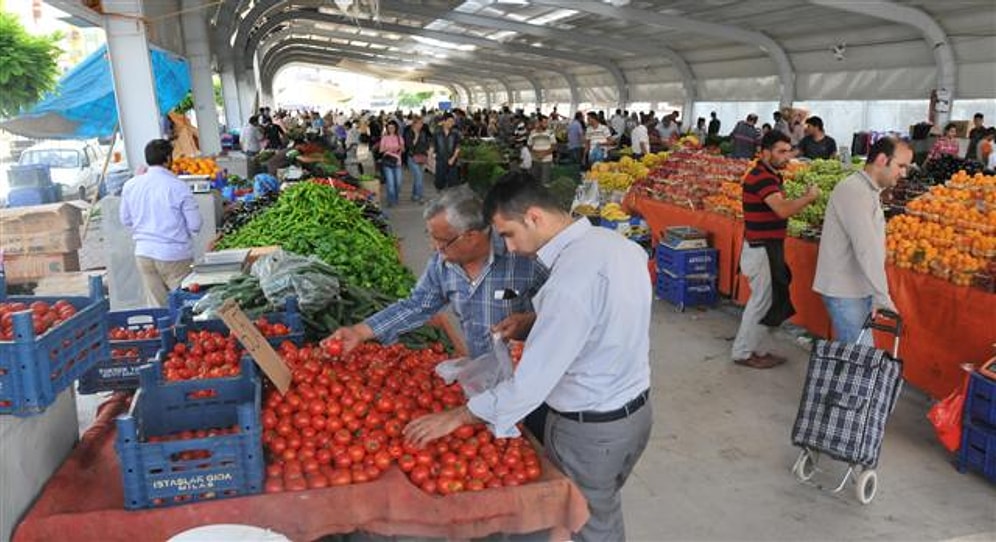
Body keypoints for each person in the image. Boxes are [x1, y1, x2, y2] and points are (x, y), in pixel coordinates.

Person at [404, 174, 652, 542]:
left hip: (590, 430)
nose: (509, 246)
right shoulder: (617, 245)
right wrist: (536, 322)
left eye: (506, 234)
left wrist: (457, 416)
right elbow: (604, 319)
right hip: (634, 413)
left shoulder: (567, 283)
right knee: (603, 504)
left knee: (587, 520)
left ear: (533, 217)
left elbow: (530, 385)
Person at [328, 186, 549, 438]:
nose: (434, 248)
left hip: (531, 382)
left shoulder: (523, 257)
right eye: (431, 237)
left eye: (442, 241)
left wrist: (531, 321)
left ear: (472, 235)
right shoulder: (443, 265)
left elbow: (565, 314)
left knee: (534, 438)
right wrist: (359, 331)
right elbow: (416, 305)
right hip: (483, 378)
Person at [732, 131, 820, 369]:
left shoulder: (771, 176)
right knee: (761, 302)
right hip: (761, 251)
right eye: (781, 151)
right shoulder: (762, 177)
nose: (787, 156)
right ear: (765, 153)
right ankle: (743, 352)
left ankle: (758, 349)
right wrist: (808, 198)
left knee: (769, 302)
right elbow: (781, 210)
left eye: (788, 151)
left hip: (768, 247)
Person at [814, 138, 911, 344]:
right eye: (901, 166)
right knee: (860, 359)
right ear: (882, 159)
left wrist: (875, 292)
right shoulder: (854, 191)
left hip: (856, 289)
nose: (904, 173)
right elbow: (867, 249)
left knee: (856, 359)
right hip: (846, 292)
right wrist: (882, 296)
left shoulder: (868, 190)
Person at [120, 139, 202, 308]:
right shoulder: (178, 186)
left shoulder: (131, 185)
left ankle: (164, 333)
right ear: (167, 158)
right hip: (175, 256)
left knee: (159, 308)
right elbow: (195, 225)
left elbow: (125, 219)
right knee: (184, 305)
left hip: (144, 254)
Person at [377, 120, 405, 207]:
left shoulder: (399, 137)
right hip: (387, 162)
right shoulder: (384, 138)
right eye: (389, 128)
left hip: (397, 162)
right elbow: (380, 150)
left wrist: (400, 148)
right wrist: (389, 149)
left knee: (398, 183)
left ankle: (395, 198)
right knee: (390, 183)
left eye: (392, 127)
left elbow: (403, 150)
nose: (391, 129)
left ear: (396, 128)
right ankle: (391, 201)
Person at [403, 116, 431, 203]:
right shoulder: (409, 133)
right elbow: (410, 146)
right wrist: (416, 136)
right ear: (414, 124)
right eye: (419, 123)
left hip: (422, 157)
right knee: (419, 177)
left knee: (418, 178)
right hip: (412, 158)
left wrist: (427, 155)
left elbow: (426, 145)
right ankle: (420, 197)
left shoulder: (423, 133)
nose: (421, 125)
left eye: (422, 123)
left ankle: (414, 195)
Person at [433, 112, 462, 190]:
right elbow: (434, 147)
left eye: (452, 122)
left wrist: (453, 158)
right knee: (439, 184)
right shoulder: (437, 133)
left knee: (453, 185)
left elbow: (458, 147)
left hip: (452, 162)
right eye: (449, 121)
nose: (451, 123)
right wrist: (434, 156)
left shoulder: (455, 133)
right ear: (444, 121)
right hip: (440, 161)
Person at [527, 114, 556, 184]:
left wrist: (543, 154)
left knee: (545, 181)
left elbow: (553, 146)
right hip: (535, 160)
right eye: (544, 122)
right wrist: (536, 154)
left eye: (547, 122)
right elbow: (529, 146)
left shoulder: (550, 132)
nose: (546, 124)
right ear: (539, 123)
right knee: (534, 180)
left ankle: (543, 194)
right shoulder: (532, 133)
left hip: (546, 160)